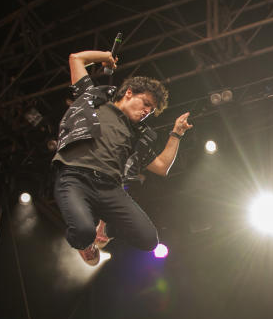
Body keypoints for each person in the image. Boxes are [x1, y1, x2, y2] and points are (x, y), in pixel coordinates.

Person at [51, 49, 193, 265]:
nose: (147, 110)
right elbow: (75, 58)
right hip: (75, 177)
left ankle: (104, 226)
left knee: (149, 240)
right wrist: (105, 56)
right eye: (146, 103)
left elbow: (162, 166)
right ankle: (84, 242)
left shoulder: (137, 136)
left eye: (152, 109)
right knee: (83, 232)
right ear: (129, 93)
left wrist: (176, 134)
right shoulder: (94, 101)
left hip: (109, 188)